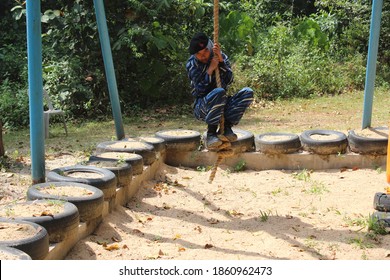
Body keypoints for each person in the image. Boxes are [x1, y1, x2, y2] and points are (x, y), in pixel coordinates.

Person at [186, 32, 254, 150]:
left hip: (222, 103)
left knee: (247, 93)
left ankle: (227, 127)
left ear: (210, 48)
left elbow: (229, 80)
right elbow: (199, 90)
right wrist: (210, 70)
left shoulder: (220, 56)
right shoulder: (192, 64)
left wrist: (221, 62)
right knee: (219, 92)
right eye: (199, 54)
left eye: (205, 52)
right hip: (203, 106)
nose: (203, 56)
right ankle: (211, 133)